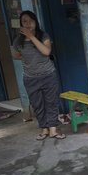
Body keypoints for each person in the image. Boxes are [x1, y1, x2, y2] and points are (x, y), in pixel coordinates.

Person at [11, 10, 65, 140]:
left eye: (31, 21)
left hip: (48, 75)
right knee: (37, 104)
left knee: (51, 102)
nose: (28, 24)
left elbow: (46, 51)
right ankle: (44, 129)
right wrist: (29, 58)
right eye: (25, 21)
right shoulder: (19, 40)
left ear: (35, 22)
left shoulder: (43, 36)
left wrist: (32, 37)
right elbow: (15, 55)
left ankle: (53, 130)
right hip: (30, 78)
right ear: (21, 24)